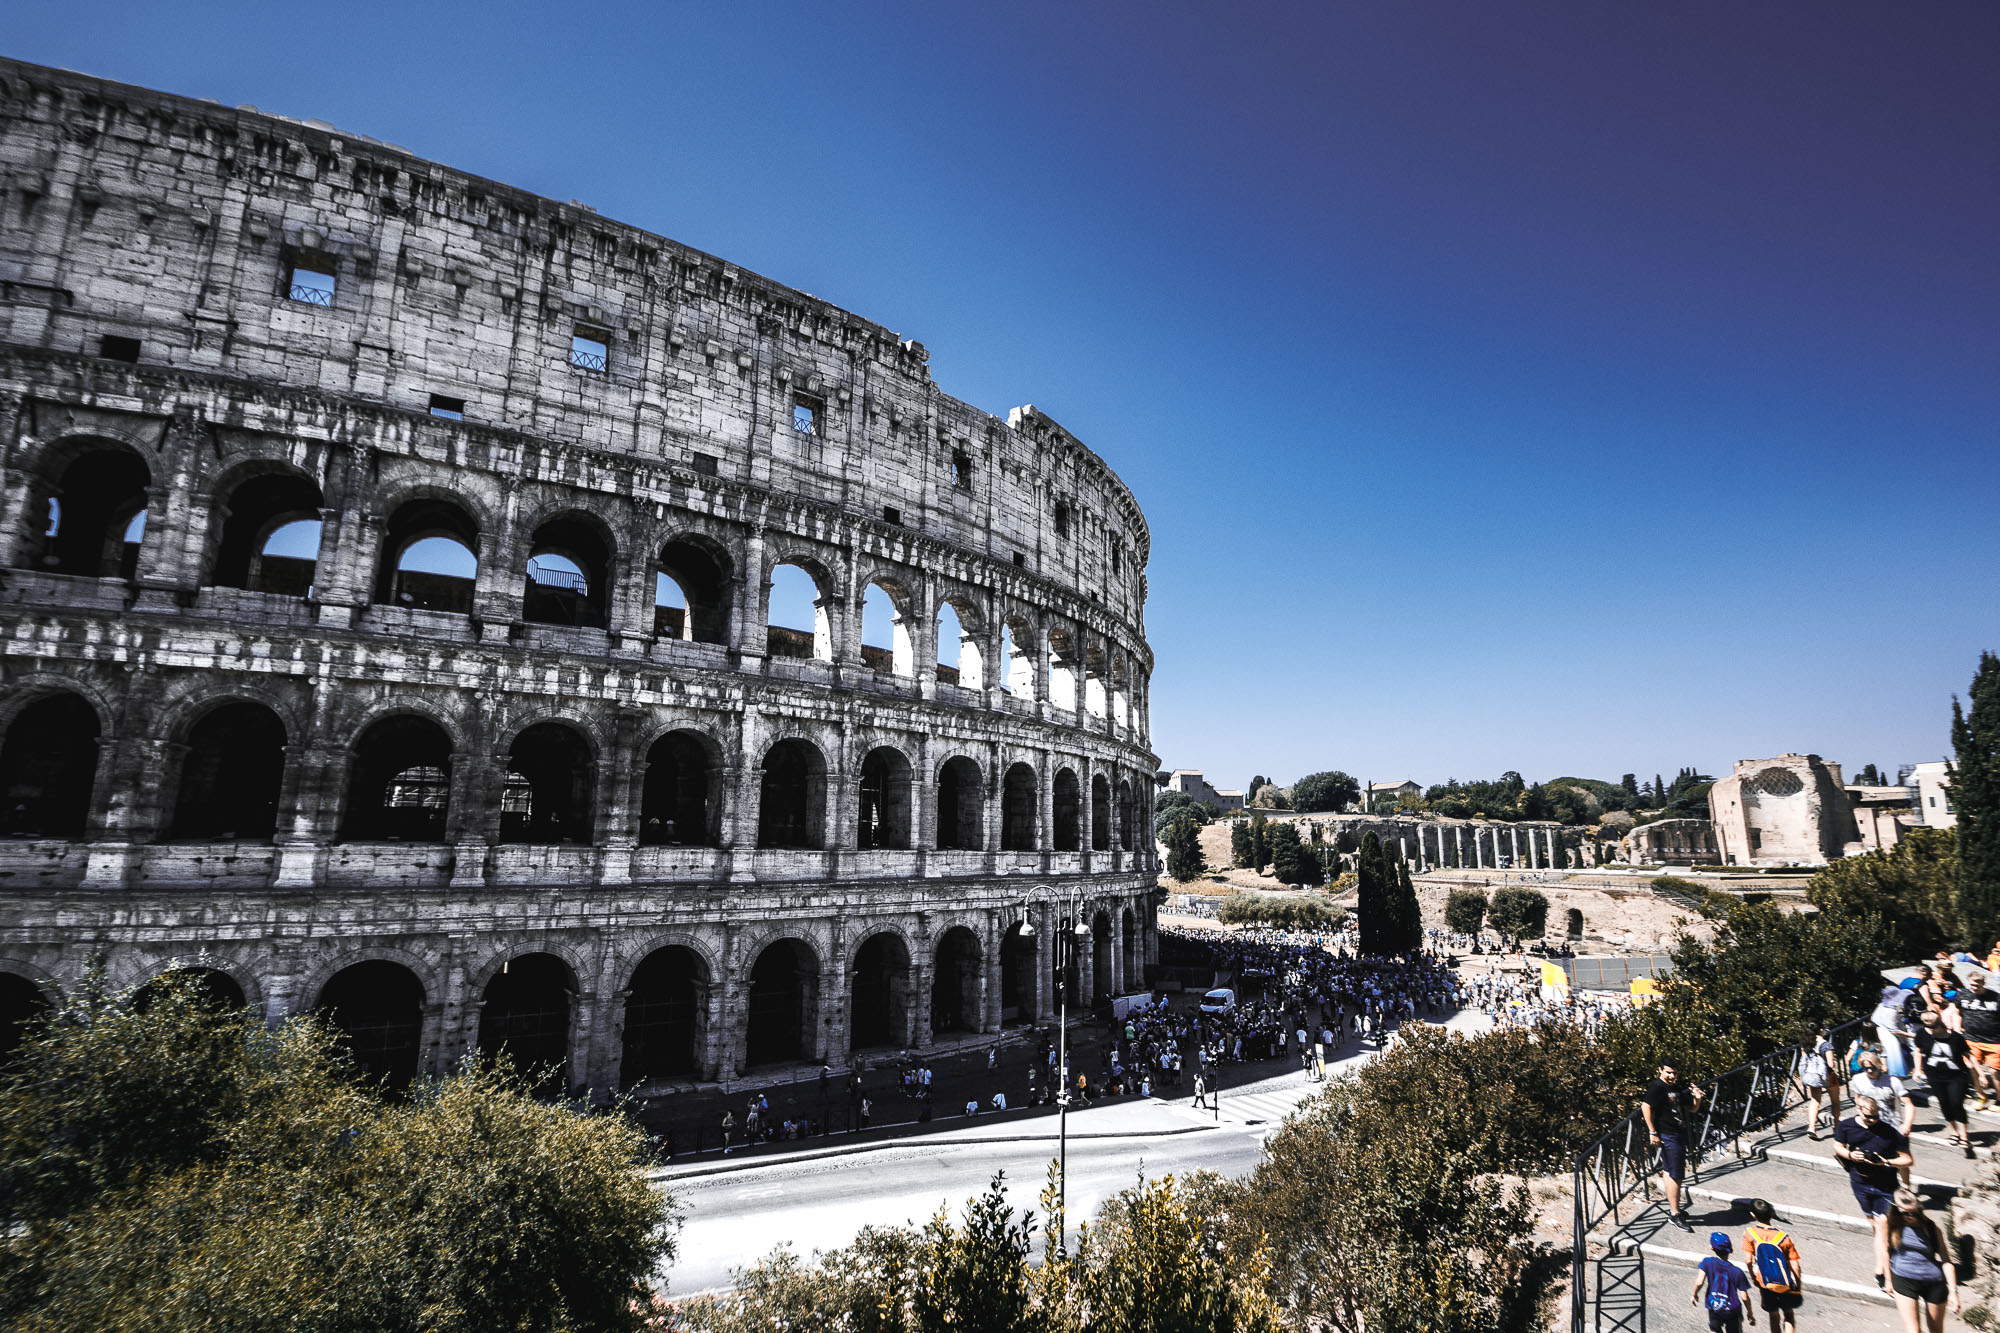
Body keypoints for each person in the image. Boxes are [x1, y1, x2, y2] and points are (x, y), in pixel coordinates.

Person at [1833, 1094, 1915, 1286]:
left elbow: (1908, 1160)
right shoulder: (1845, 1127)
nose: (1873, 1120)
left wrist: (1886, 1161)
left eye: (1876, 1116)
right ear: (1858, 1109)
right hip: (1860, 1183)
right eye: (1869, 1117)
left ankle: (1882, 1270)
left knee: (1882, 1223)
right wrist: (1851, 1155)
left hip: (1886, 1185)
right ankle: (1887, 1256)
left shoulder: (1889, 1132)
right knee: (1875, 1226)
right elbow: (1837, 1146)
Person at [1882, 1187, 1958, 1331]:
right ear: (1896, 1210)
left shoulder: (1931, 1228)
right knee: (1914, 1330)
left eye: (1914, 1212)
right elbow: (1885, 1252)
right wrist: (1888, 1280)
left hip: (1933, 1281)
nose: (1910, 1216)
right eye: (1905, 1213)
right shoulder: (1890, 1224)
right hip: (1904, 1279)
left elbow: (1946, 1261)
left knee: (1936, 1330)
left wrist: (1954, 1292)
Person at [1641, 1063, 1705, 1230]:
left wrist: (1697, 1098)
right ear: (1660, 1070)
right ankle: (1675, 1213)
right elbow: (1645, 1106)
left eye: (1674, 1073)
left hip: (1677, 1133)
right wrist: (1652, 1132)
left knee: (1670, 1172)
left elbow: (1692, 1109)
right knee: (1676, 1174)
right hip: (1668, 1135)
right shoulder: (1657, 1087)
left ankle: (1674, 1211)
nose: (1671, 1076)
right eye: (1668, 1072)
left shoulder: (1675, 1088)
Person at [1914, 1008, 1976, 1156]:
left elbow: (1968, 1054)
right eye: (1927, 1026)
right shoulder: (1922, 1034)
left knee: (1956, 1103)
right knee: (1944, 1103)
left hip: (1957, 1076)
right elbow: (1918, 1051)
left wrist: (1978, 1073)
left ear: (1940, 1023)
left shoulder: (1955, 1037)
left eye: (1933, 1026)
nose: (1931, 1030)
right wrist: (1918, 1069)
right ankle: (1954, 1131)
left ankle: (1964, 1136)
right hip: (1935, 1076)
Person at [1740, 1199, 1803, 1333]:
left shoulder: (1750, 1234)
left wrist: (1754, 1277)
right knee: (1789, 1314)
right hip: (1785, 1282)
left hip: (1765, 1282)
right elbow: (1795, 1265)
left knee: (1773, 1315)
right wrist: (1797, 1285)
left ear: (1753, 1215)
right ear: (1771, 1214)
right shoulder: (1784, 1237)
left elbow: (1748, 1260)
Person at [1691, 1231, 1751, 1333]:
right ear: (1730, 1250)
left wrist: (1694, 1294)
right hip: (1732, 1309)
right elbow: (1744, 1296)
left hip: (1714, 1305)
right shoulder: (1737, 1272)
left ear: (1712, 1247)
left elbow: (1699, 1282)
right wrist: (1750, 1312)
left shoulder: (1707, 1262)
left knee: (1715, 1329)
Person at [1957, 971, 2000, 1108]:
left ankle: (1999, 1098)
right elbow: (1957, 1011)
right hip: (1971, 1038)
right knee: (1972, 1068)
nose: (1974, 987)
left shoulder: (1995, 997)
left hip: (1993, 1040)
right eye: (1972, 985)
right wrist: (1958, 1027)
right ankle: (1981, 1096)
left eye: (1977, 984)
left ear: (1983, 983)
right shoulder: (1963, 994)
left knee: (1994, 1071)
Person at [1799, 1025, 1843, 1140]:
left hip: (1813, 1077)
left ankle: (1812, 1127)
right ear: (1820, 1031)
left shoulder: (1806, 1044)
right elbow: (1830, 1064)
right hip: (1828, 1076)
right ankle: (1837, 1126)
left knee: (1815, 1101)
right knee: (1835, 1101)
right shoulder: (1826, 1045)